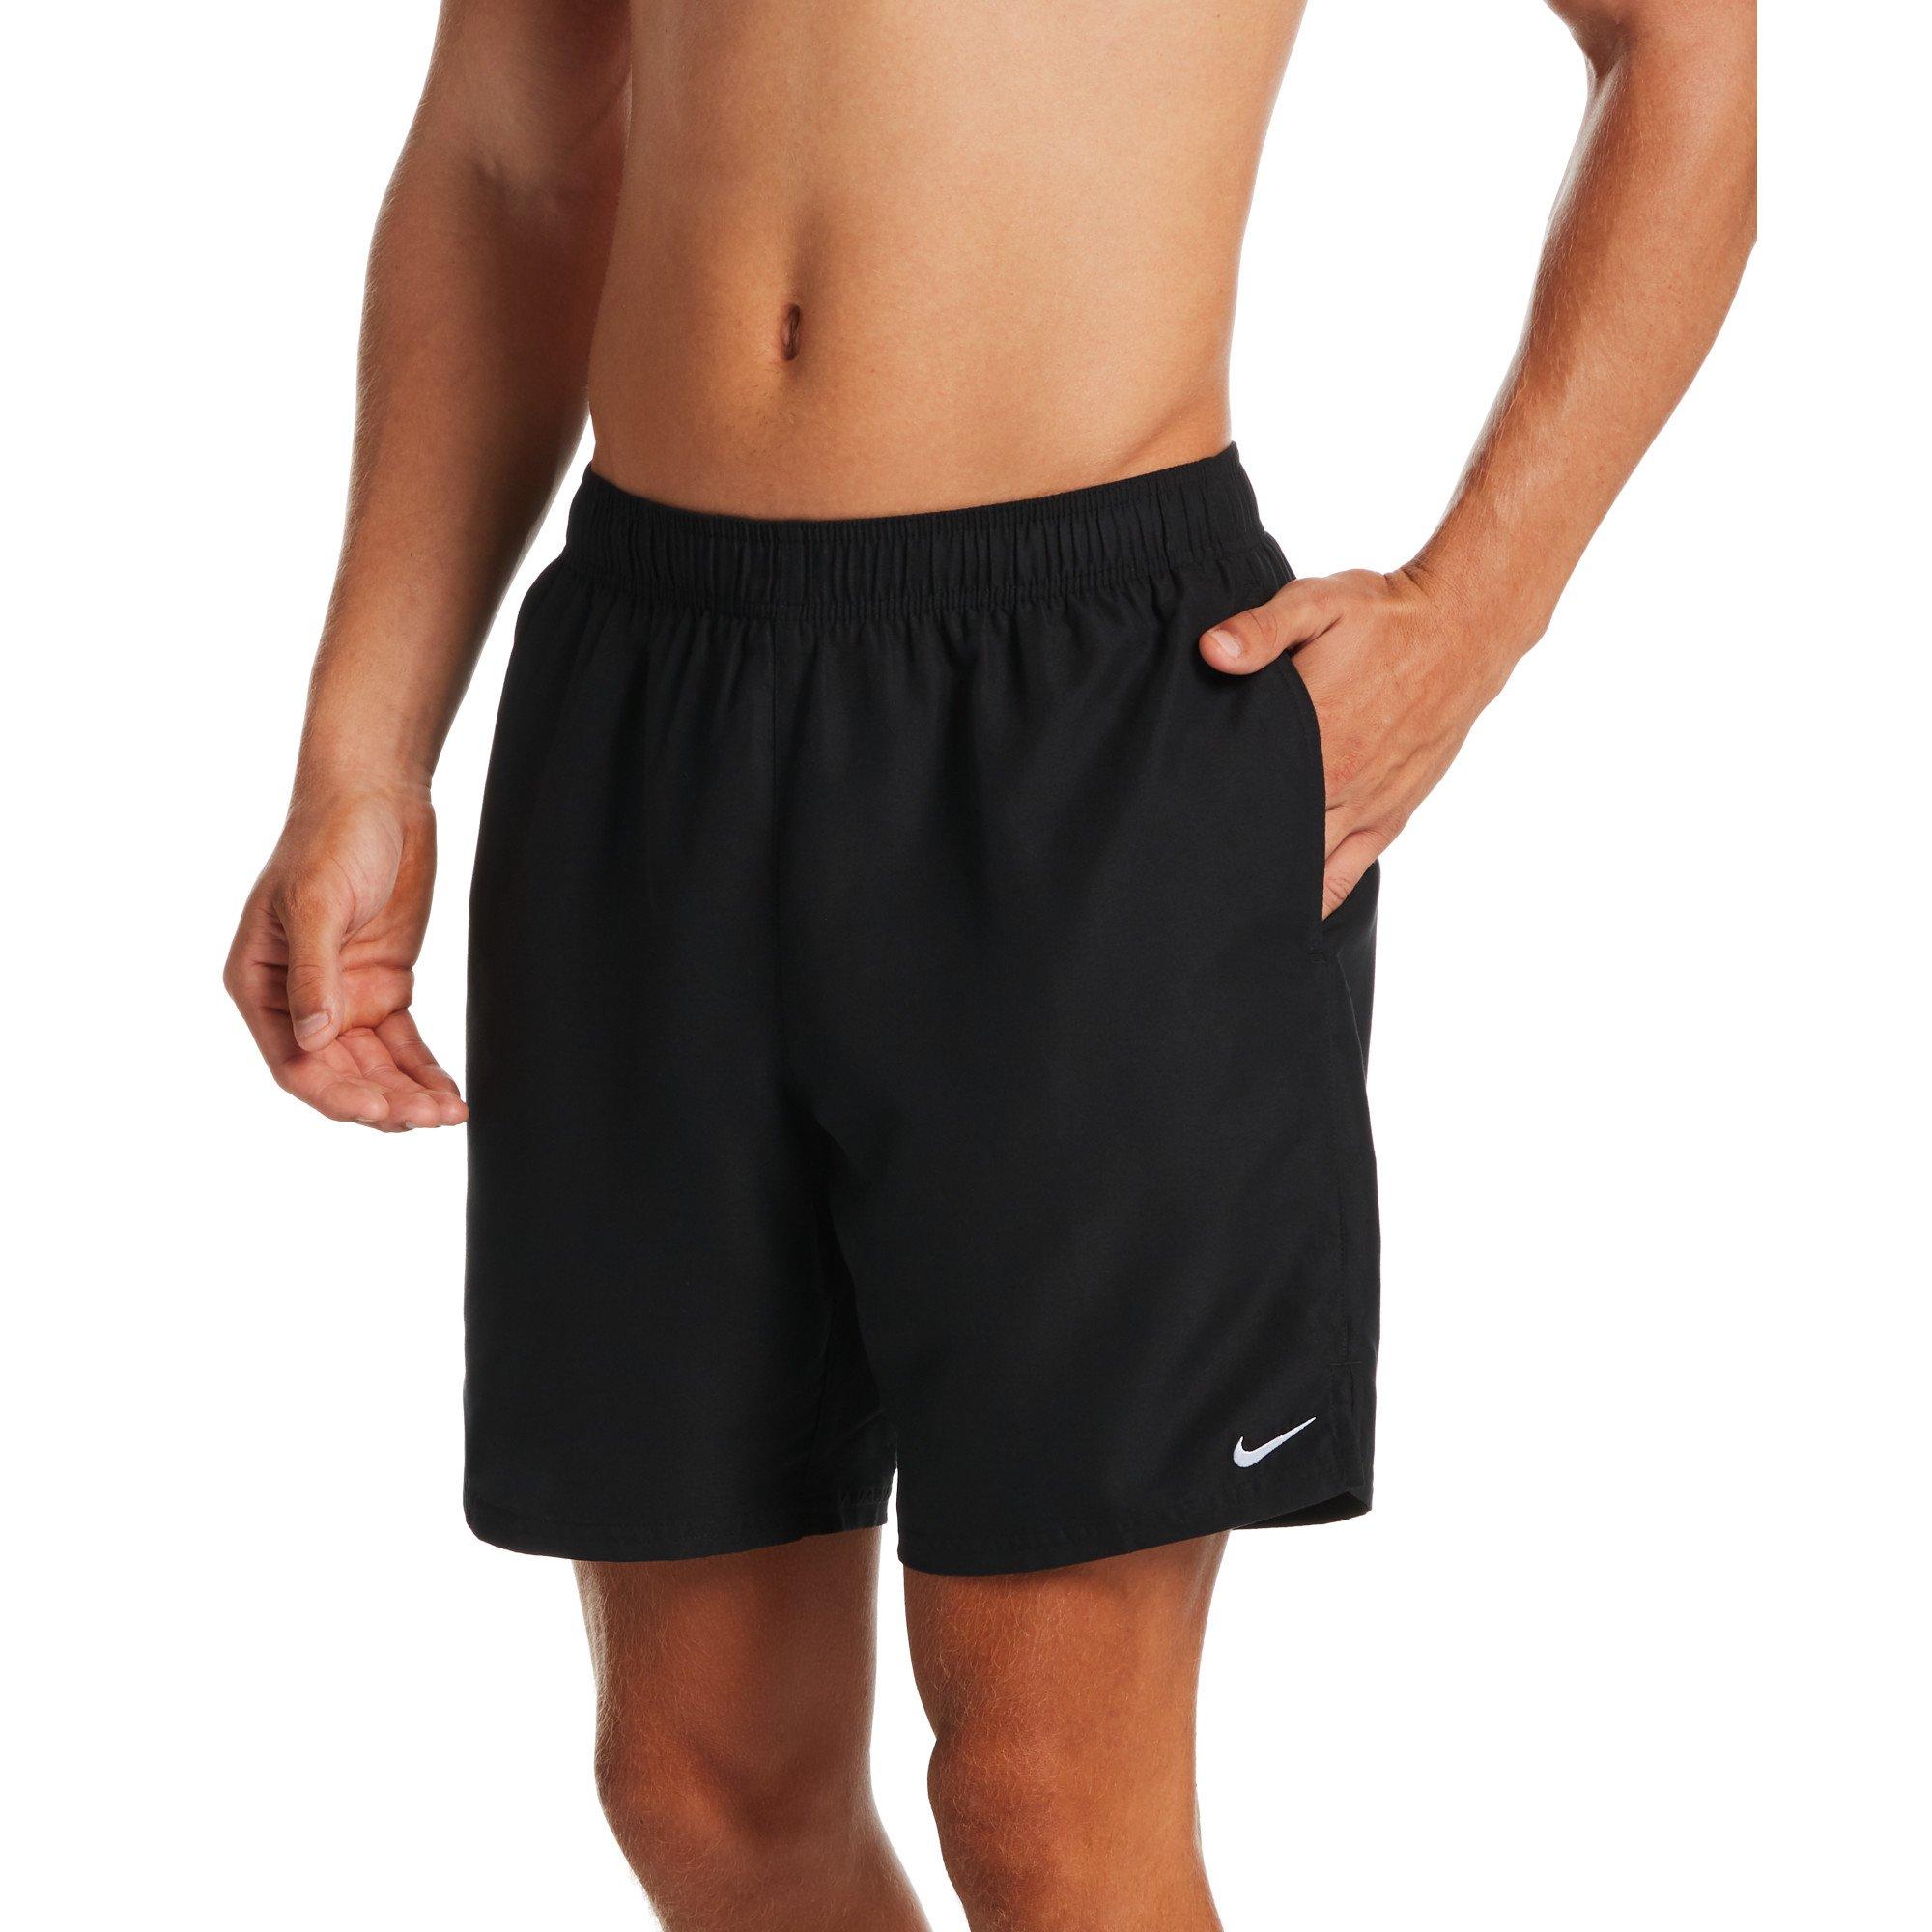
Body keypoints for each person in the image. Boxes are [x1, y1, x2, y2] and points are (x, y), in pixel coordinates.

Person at [224, 0, 1755, 1923]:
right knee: (699, 1779)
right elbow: (510, 151)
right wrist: (364, 746)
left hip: (1084, 711)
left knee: (1046, 1802)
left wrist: (1471, 617)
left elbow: (1682, 55)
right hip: (650, 687)